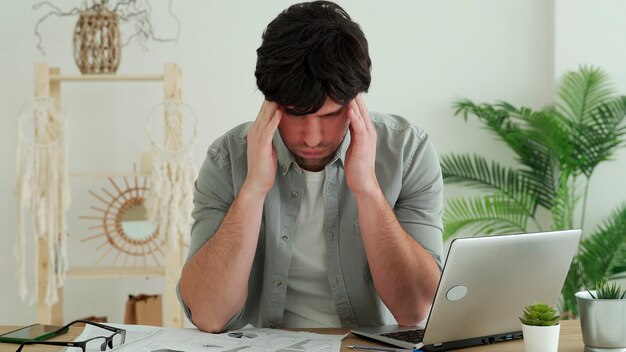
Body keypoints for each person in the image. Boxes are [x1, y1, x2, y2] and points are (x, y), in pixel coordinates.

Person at [178, 1, 444, 333]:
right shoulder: (227, 157)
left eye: (330, 115)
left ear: (355, 101)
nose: (312, 138)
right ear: (270, 102)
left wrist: (368, 190)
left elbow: (416, 310)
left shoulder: (407, 151)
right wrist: (252, 191)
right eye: (295, 113)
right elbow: (208, 314)